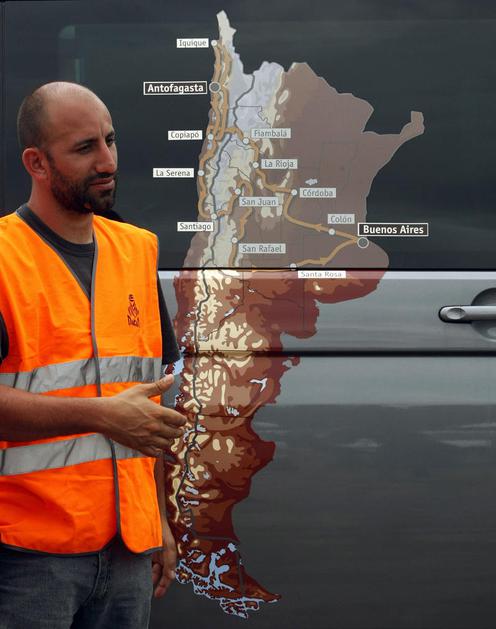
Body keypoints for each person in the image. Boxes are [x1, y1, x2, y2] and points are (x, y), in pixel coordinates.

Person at [0, 81, 186, 629]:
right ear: (37, 163)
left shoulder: (136, 250)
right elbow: (118, 415)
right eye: (85, 148)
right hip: (28, 556)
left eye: (110, 140)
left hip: (128, 551)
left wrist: (158, 521)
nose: (107, 162)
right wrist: (101, 415)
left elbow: (146, 408)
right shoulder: (4, 258)